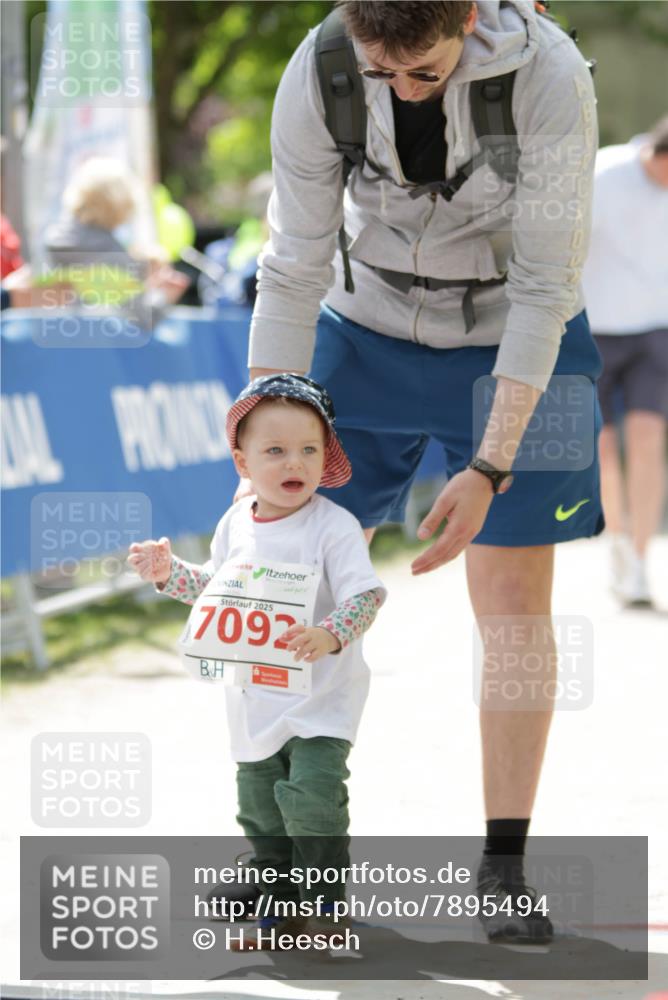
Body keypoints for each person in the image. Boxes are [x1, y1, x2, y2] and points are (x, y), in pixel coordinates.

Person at [240, 0, 600, 945]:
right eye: (381, 70)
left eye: (424, 73)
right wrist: (265, 421)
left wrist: (492, 460)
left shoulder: (551, 73)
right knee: (291, 587)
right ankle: (288, 861)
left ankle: (505, 866)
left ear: (470, 20)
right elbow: (292, 264)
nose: (400, 89)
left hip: (519, 337)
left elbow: (547, 286)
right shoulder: (318, 68)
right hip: (365, 331)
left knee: (515, 607)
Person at [128, 374, 387, 950]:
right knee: (262, 810)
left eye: (308, 449)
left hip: (321, 702)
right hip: (254, 702)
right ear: (242, 460)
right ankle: (279, 915)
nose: (293, 462)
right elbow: (213, 590)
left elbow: (366, 595)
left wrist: (330, 633)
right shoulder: (235, 524)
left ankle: (324, 912)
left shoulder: (333, 527)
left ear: (328, 455)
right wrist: (168, 573)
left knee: (314, 800)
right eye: (275, 451)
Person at [582, 116, 668, 608]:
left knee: (648, 439)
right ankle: (617, 539)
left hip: (655, 332)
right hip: (594, 331)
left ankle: (639, 562)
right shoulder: (604, 174)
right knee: (603, 446)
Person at [45, 157, 189, 329]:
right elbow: (142, 319)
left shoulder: (50, 243)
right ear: (121, 203)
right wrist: (164, 295)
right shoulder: (113, 256)